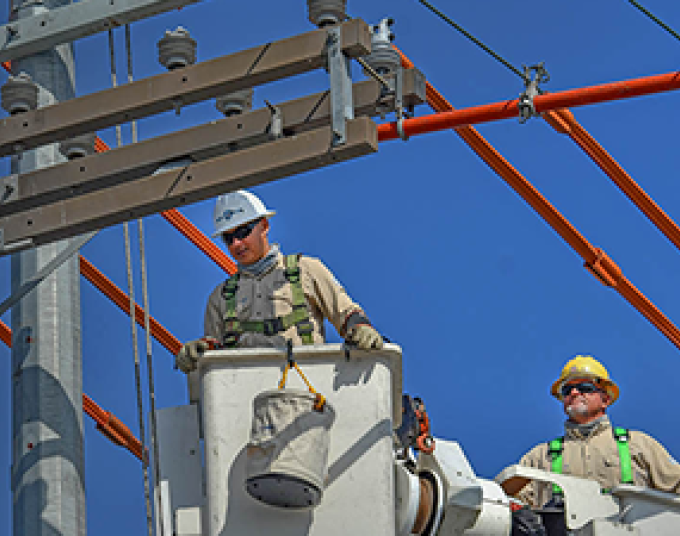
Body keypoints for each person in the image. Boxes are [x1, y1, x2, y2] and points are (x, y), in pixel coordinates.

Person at [175, 189, 384, 373]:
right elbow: (215, 359)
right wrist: (199, 350)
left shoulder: (305, 270)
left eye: (242, 232)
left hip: (306, 389)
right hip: (247, 398)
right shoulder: (220, 298)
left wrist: (362, 328)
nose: (237, 243)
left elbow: (346, 312)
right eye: (229, 238)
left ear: (264, 226)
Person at [515, 355, 680, 509]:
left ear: (605, 400)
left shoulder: (639, 445)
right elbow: (507, 505)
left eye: (584, 387)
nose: (574, 393)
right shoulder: (539, 458)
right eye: (567, 390)